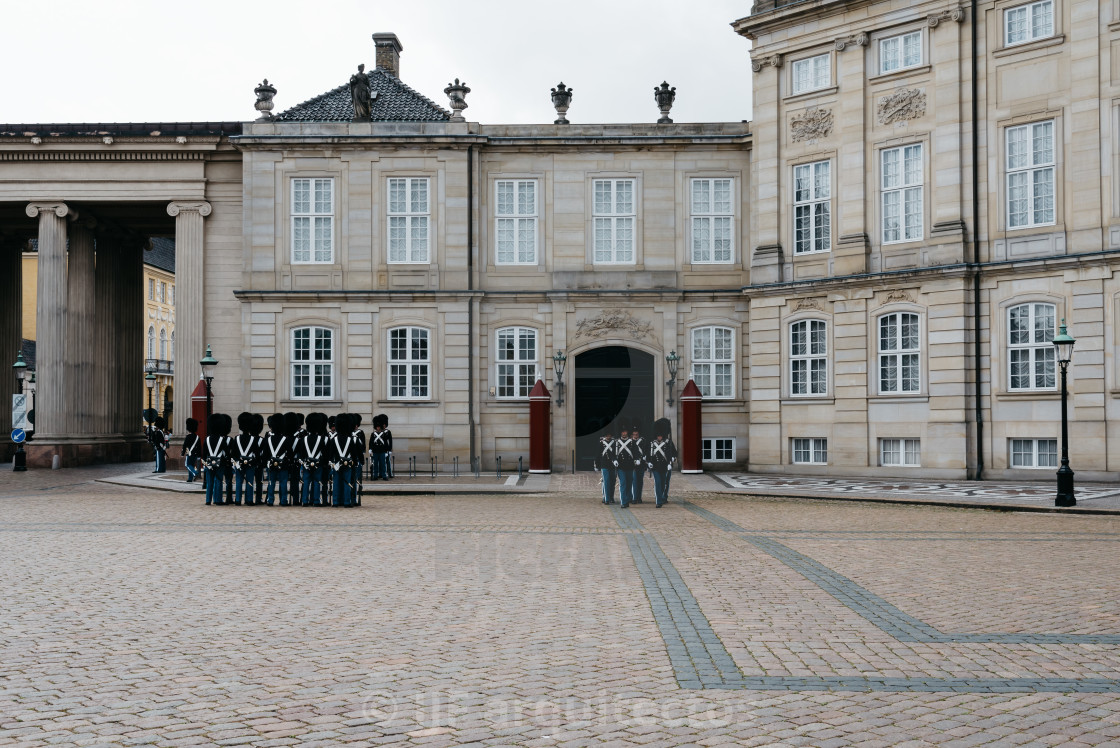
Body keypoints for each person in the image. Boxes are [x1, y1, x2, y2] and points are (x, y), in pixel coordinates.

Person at [297, 413, 328, 507]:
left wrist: (304, 462)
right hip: (318, 463)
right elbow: (325, 453)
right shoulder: (322, 439)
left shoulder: (303, 439)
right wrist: (323, 463)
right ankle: (316, 501)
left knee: (306, 482)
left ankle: (304, 501)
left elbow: (300, 453)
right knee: (317, 481)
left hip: (307, 463)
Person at [328, 413, 358, 507]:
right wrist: (355, 463)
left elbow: (330, 454)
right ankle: (347, 502)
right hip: (348, 464)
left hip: (337, 464)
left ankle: (336, 502)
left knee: (336, 483)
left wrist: (331, 463)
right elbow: (354, 454)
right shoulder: (350, 440)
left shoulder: (334, 440)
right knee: (347, 483)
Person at [263, 413, 291, 506]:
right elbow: (290, 453)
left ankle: (270, 500)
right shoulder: (286, 439)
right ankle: (283, 501)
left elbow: (265, 453)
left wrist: (267, 462)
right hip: (283, 464)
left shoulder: (268, 439)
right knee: (283, 483)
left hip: (271, 463)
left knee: (271, 482)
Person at [649, 418, 677, 508]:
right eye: (658, 435)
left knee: (665, 482)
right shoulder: (653, 443)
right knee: (658, 482)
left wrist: (672, 459)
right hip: (656, 466)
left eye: (661, 435)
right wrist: (648, 462)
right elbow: (650, 454)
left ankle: (664, 496)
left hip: (665, 466)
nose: (660, 437)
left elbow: (674, 453)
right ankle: (659, 500)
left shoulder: (668, 443)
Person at [231, 412, 258, 506]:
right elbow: (256, 453)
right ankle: (249, 500)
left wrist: (237, 461)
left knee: (239, 481)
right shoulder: (253, 439)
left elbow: (233, 453)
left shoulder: (237, 438)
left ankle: (238, 500)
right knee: (250, 481)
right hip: (250, 463)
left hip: (239, 463)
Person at [202, 413, 228, 506]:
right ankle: (218, 500)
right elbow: (226, 452)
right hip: (220, 462)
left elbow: (204, 453)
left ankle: (208, 500)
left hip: (209, 462)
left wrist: (206, 462)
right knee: (218, 481)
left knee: (209, 482)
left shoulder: (207, 439)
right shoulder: (222, 439)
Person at [614, 426, 637, 508]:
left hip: (630, 466)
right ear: (621, 432)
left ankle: (627, 500)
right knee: (623, 483)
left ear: (627, 432)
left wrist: (637, 459)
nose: (624, 433)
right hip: (621, 466)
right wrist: (614, 460)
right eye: (623, 432)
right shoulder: (616, 442)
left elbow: (636, 452)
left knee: (629, 484)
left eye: (625, 432)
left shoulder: (632, 442)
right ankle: (623, 502)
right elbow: (613, 453)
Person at [285, 412, 305, 506]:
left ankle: (283, 499)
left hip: (286, 461)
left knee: (284, 481)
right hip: (295, 461)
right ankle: (296, 499)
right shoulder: (298, 440)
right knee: (295, 481)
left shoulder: (284, 438)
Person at [593, 431, 617, 505]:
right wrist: (597, 465)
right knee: (606, 481)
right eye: (607, 435)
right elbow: (598, 454)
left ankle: (611, 497)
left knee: (612, 481)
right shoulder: (601, 443)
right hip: (604, 464)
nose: (608, 437)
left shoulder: (615, 443)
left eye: (609, 435)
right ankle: (606, 498)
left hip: (613, 465)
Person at [630, 423, 648, 504]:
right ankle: (634, 497)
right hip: (632, 464)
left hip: (641, 464)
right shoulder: (629, 442)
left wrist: (645, 457)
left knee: (640, 481)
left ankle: (639, 497)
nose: (635, 436)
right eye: (634, 434)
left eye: (636, 434)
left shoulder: (643, 441)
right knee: (634, 481)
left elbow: (646, 450)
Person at [350, 414, 366, 505]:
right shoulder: (349, 435)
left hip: (357, 459)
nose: (356, 426)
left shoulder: (360, 433)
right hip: (351, 459)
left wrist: (362, 454)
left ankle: (354, 498)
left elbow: (363, 444)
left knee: (356, 480)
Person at [181, 418, 201, 483]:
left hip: (189, 453)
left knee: (187, 465)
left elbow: (184, 446)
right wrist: (199, 455)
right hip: (195, 454)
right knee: (191, 465)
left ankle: (195, 473)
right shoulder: (198, 437)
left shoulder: (188, 436)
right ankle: (190, 478)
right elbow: (199, 447)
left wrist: (182, 453)